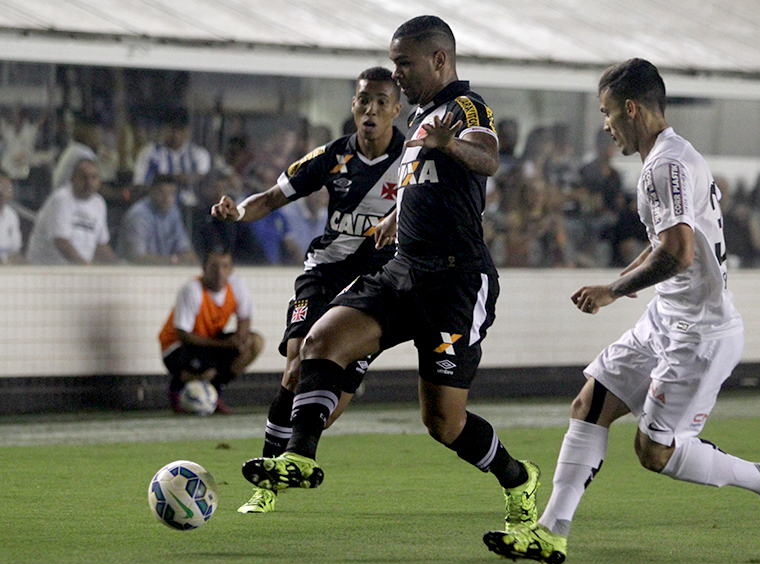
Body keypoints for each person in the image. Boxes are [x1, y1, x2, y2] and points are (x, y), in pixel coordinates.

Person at [483, 59, 760, 564]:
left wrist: (613, 291)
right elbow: (666, 244)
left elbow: (678, 253)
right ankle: (551, 532)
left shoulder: (664, 167)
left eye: (607, 113)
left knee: (654, 452)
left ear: (631, 108)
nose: (606, 125)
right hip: (666, 318)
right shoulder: (673, 157)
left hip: (698, 335)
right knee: (589, 403)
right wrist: (618, 284)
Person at [239, 15, 540, 534]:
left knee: (443, 422)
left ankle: (518, 478)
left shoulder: (466, 107)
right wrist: (397, 216)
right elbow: (426, 184)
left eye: (404, 63)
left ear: (439, 60)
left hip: (455, 282)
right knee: (320, 341)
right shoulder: (421, 116)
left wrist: (450, 144)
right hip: (403, 271)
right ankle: (299, 458)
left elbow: (488, 159)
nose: (396, 73)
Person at [212, 66, 405, 513]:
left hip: (375, 286)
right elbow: (270, 198)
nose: (371, 110)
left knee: (327, 411)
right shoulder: (332, 156)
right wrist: (238, 213)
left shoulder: (413, 160)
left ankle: (295, 454)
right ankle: (266, 482)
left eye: (381, 102)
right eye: (363, 100)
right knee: (296, 366)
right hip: (325, 272)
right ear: (353, 105)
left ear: (396, 109)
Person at [158, 245, 264, 414]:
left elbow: (245, 317)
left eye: (225, 266)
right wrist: (225, 345)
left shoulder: (237, 285)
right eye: (214, 267)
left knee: (254, 343)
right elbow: (183, 335)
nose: (220, 272)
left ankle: (214, 390)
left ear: (231, 269)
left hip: (211, 342)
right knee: (206, 370)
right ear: (204, 268)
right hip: (177, 347)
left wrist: (240, 339)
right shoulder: (192, 290)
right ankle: (178, 387)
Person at [26, 159, 117, 265]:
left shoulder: (99, 203)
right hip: (46, 269)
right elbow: (62, 243)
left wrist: (118, 266)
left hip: (77, 269)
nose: (89, 182)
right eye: (83, 177)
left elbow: (101, 245)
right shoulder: (62, 199)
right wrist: (86, 269)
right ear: (72, 179)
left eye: (94, 177)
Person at [116, 174, 198, 265]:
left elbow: (185, 249)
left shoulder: (173, 211)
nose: (167, 198)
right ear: (151, 191)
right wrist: (173, 261)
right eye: (162, 192)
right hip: (133, 270)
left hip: (164, 269)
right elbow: (137, 258)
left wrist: (189, 259)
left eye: (172, 193)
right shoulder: (138, 215)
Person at [52, 114, 101, 191]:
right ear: (88, 133)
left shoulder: (73, 148)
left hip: (61, 193)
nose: (99, 137)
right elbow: (94, 185)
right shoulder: (84, 153)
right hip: (69, 195)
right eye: (96, 132)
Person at [0, 174, 23, 264]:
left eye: (7, 188)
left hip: (8, 264)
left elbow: (15, 250)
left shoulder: (11, 215)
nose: (2, 192)